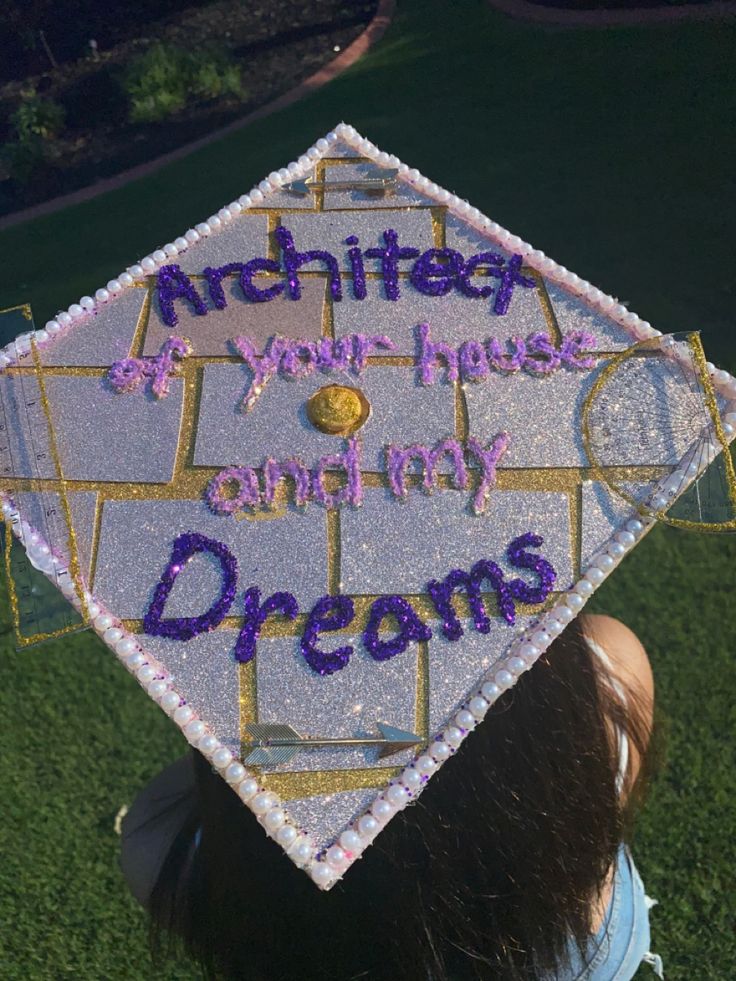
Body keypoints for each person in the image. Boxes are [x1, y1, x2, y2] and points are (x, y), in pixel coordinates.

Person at [120, 613, 663, 980]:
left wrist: (249, 744)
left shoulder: (161, 842)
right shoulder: (609, 669)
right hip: (571, 949)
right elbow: (602, 826)